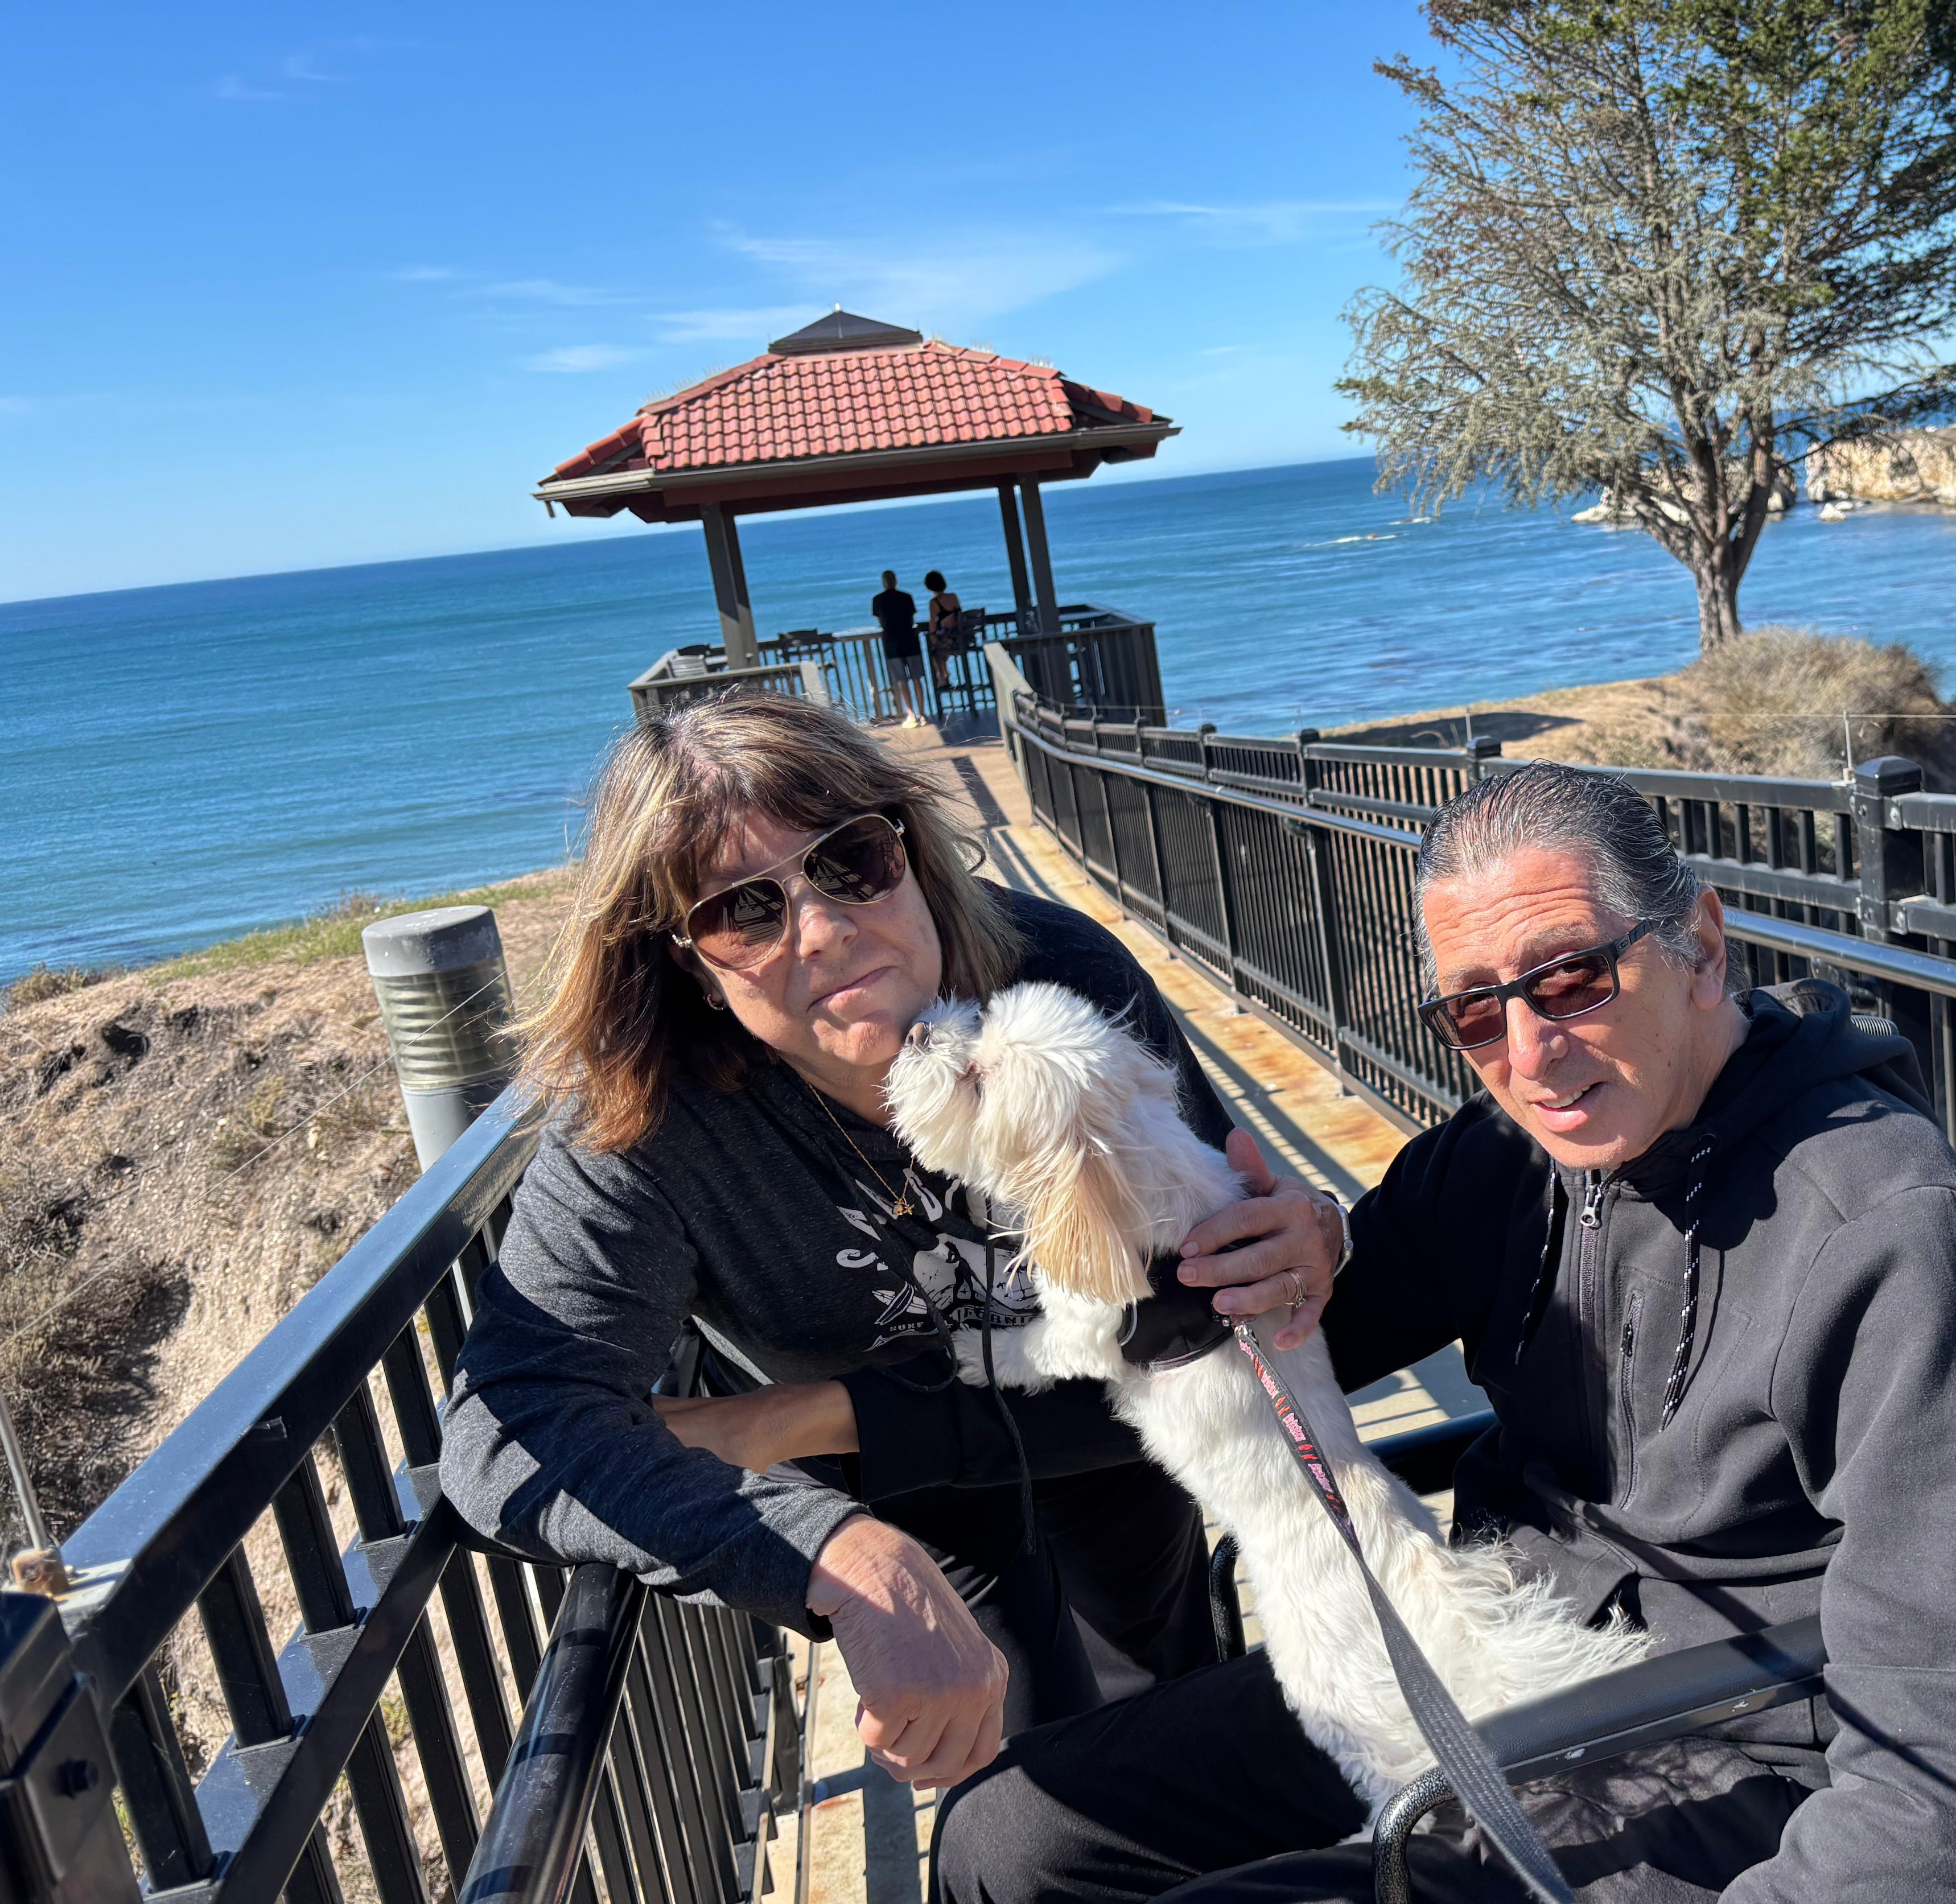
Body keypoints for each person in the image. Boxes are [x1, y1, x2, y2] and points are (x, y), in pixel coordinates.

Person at [918, 761, 1956, 1904]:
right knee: (1006, 1839)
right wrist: (1280, 1241)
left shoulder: (1889, 1235)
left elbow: (1955, 1753)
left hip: (1727, 1759)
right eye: (1474, 1010)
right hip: (1493, 1660)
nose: (1531, 1051)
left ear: (1700, 946)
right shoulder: (1512, 1160)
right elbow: (1324, 1311)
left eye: (1572, 978)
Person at [438, 690, 1343, 1795]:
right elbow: (509, 1426)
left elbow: (1192, 1300)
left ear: (910, 852)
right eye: (742, 912)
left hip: (1103, 1434)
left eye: (850, 860)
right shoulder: (640, 1124)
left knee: (1175, 1734)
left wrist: (1311, 1235)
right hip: (899, 1501)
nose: (821, 927)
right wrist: (828, 1550)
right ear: (688, 963)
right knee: (1019, 1796)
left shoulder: (1062, 984)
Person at [872, 569, 925, 724]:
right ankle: (922, 713)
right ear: (896, 581)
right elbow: (911, 620)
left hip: (892, 642)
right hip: (910, 640)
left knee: (902, 681)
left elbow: (881, 622)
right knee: (916, 679)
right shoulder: (906, 597)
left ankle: (911, 714)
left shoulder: (878, 600)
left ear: (883, 582)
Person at [925, 570, 967, 708]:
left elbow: (932, 624)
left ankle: (943, 676)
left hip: (948, 640)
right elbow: (959, 615)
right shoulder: (953, 597)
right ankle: (944, 674)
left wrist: (932, 636)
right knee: (940, 652)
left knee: (934, 651)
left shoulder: (934, 603)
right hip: (959, 638)